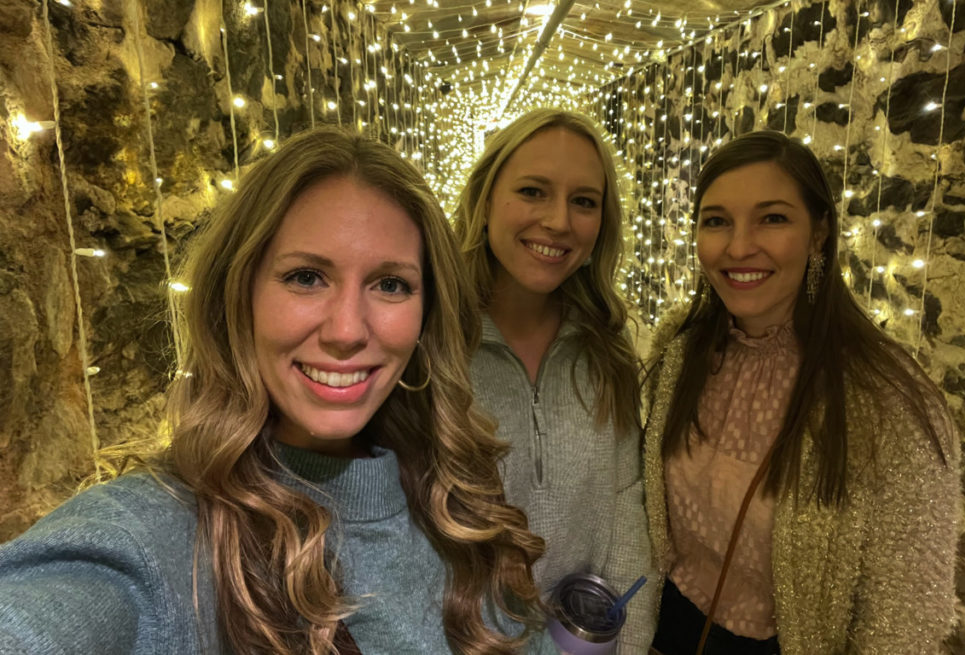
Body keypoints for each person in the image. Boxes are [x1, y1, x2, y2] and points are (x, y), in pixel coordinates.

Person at [0, 129, 557, 655]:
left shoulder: (458, 494)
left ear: (425, 315)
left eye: (390, 284)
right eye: (306, 277)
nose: (347, 331)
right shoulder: (157, 535)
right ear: (237, 295)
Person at [643, 130, 960, 655]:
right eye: (716, 221)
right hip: (661, 629)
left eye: (772, 218)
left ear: (819, 235)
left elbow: (905, 621)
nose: (739, 246)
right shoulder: (679, 347)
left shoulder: (888, 399)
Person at [453, 109, 656, 653]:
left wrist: (631, 647)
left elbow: (625, 522)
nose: (559, 221)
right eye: (533, 191)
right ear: (486, 198)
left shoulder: (607, 349)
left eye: (584, 201)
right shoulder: (431, 345)